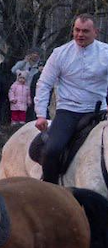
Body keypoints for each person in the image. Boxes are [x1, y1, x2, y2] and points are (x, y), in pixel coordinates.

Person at [33, 14, 108, 184]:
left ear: (96, 32)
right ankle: (50, 190)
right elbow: (44, 84)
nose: (80, 34)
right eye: (77, 30)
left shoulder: (106, 53)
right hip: (68, 112)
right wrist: (40, 114)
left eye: (85, 31)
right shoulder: (60, 53)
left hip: (100, 111)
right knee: (52, 150)